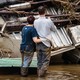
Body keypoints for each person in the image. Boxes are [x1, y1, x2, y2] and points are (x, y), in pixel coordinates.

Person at [34, 6, 57, 77]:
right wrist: (50, 21)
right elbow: (54, 30)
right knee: (46, 60)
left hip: (38, 42)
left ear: (38, 13)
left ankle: (39, 74)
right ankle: (41, 75)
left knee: (39, 60)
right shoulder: (48, 21)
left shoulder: (35, 21)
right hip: (46, 43)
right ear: (45, 12)